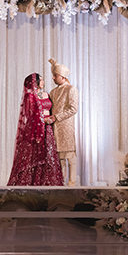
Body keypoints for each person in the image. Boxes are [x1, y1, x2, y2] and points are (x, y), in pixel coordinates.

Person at [7, 73, 64, 186]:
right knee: (35, 156)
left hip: (47, 129)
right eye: (40, 80)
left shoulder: (46, 94)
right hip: (36, 129)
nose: (42, 82)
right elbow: (30, 115)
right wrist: (43, 120)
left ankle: (48, 183)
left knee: (49, 155)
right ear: (34, 83)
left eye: (42, 80)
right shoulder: (30, 96)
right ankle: (33, 183)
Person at [46, 58, 79, 186]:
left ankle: (72, 183)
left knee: (70, 155)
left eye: (55, 76)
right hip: (55, 128)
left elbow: (73, 109)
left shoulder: (71, 89)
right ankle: (60, 183)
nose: (53, 78)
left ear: (62, 76)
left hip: (66, 126)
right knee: (59, 157)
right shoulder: (54, 92)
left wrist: (56, 117)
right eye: (53, 76)